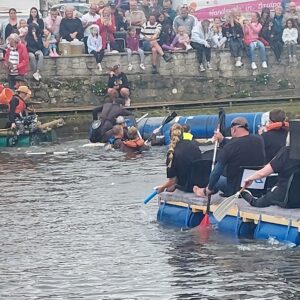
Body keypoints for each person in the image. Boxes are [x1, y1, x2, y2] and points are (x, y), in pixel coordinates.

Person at [193, 117, 265, 197]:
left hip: (237, 189)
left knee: (215, 177)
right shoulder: (259, 140)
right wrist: (223, 140)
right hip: (257, 186)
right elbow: (240, 144)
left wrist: (209, 188)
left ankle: (205, 191)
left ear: (234, 129)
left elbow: (216, 172)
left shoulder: (231, 146)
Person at [157, 123, 202, 193]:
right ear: (183, 134)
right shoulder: (194, 144)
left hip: (187, 187)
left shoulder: (171, 153)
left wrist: (163, 187)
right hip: (201, 182)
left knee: (168, 188)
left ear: (170, 137)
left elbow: (172, 180)